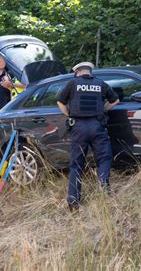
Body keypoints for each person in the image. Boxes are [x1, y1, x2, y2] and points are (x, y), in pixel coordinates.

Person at [56, 61, 120, 211]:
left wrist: (69, 114)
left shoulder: (72, 83)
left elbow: (60, 101)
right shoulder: (100, 84)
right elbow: (115, 100)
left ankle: (73, 202)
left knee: (76, 165)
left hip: (78, 127)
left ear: (77, 72)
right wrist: (103, 110)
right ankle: (104, 191)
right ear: (90, 72)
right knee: (104, 159)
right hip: (97, 126)